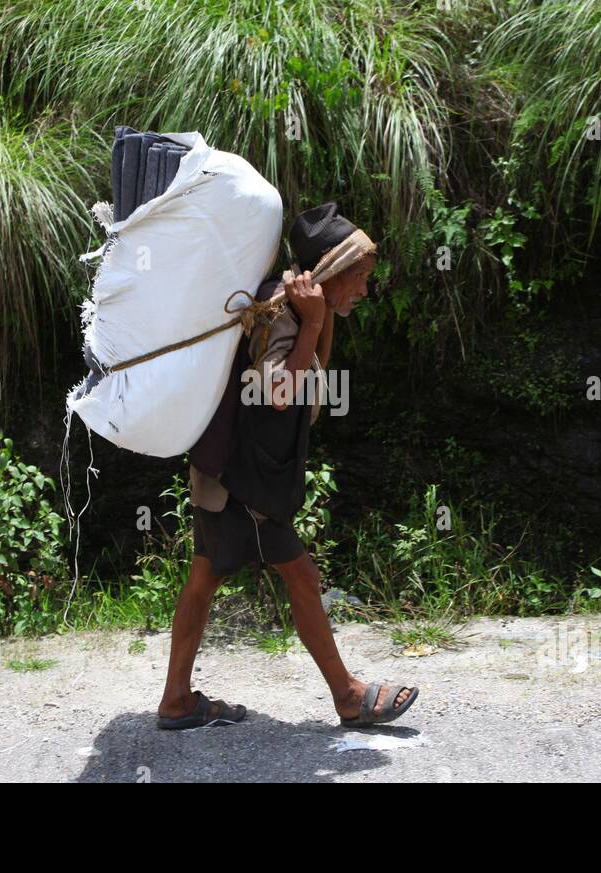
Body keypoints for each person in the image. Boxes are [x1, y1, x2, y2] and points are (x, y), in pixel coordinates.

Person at [156, 202, 420, 730]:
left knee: (205, 578)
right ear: (330, 272)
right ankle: (347, 696)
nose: (366, 291)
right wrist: (315, 321)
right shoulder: (283, 313)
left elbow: (305, 390)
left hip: (230, 477)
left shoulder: (294, 308)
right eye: (361, 278)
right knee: (301, 575)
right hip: (242, 485)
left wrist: (319, 321)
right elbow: (277, 393)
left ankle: (177, 700)